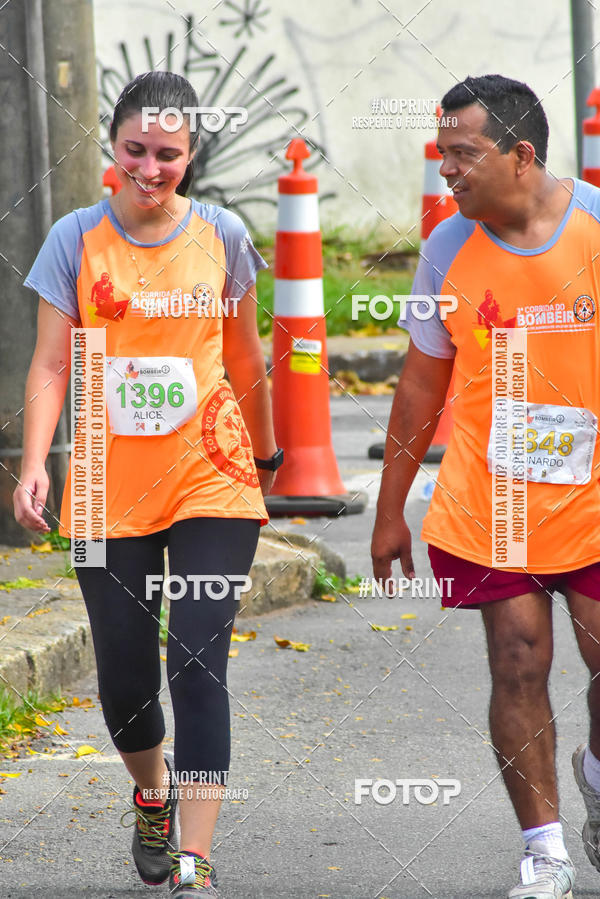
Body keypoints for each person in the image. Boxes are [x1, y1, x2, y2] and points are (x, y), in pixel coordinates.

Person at [14, 71, 282, 897]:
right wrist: (34, 463)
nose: (150, 167)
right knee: (127, 678)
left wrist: (268, 454)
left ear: (190, 153)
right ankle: (153, 792)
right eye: (135, 149)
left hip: (214, 473)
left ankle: (195, 861)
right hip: (101, 481)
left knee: (197, 656)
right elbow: (53, 363)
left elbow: (245, 358)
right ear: (113, 145)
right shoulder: (74, 238)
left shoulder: (224, 235)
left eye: (167, 154)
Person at [371, 73, 600, 898]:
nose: (448, 173)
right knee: (517, 659)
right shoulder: (447, 249)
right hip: (494, 498)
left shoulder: (596, 226)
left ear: (522, 153)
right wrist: (390, 506)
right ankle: (545, 851)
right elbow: (420, 387)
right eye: (442, 157)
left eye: (463, 155)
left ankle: (598, 782)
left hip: (595, 492)